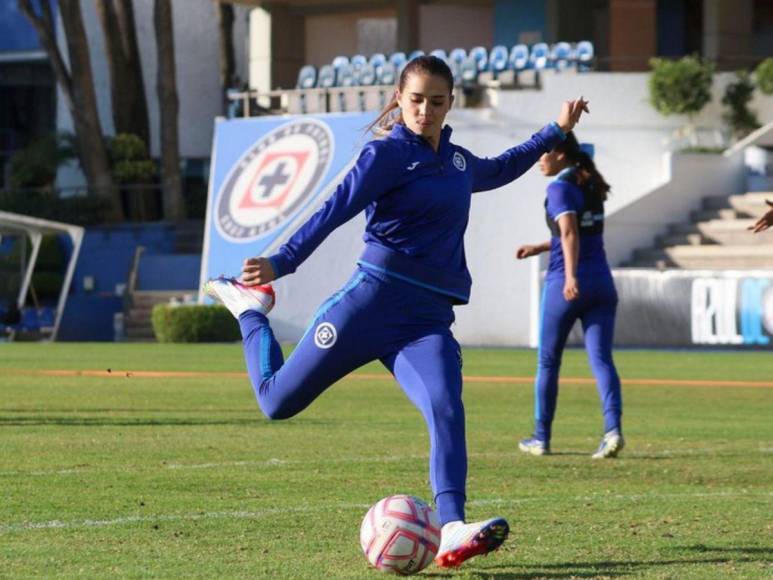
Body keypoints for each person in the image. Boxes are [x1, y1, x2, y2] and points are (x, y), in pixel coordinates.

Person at [205, 55, 587, 568]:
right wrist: (282, 262)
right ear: (399, 99)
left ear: (451, 103)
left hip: (427, 320)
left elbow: (501, 168)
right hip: (370, 304)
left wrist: (555, 130)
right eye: (416, 100)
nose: (425, 110)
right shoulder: (384, 155)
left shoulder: (455, 162)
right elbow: (333, 207)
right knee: (277, 402)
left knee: (446, 407)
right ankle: (251, 313)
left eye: (436, 100)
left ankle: (451, 527)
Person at [515, 132, 624, 459]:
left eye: (543, 153)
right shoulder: (590, 184)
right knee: (602, 360)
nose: (539, 159)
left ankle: (541, 437)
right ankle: (612, 431)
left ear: (561, 153)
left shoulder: (559, 188)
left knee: (548, 362)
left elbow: (570, 232)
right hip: (602, 283)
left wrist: (571, 276)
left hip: (567, 283)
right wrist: (539, 246)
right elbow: (582, 235)